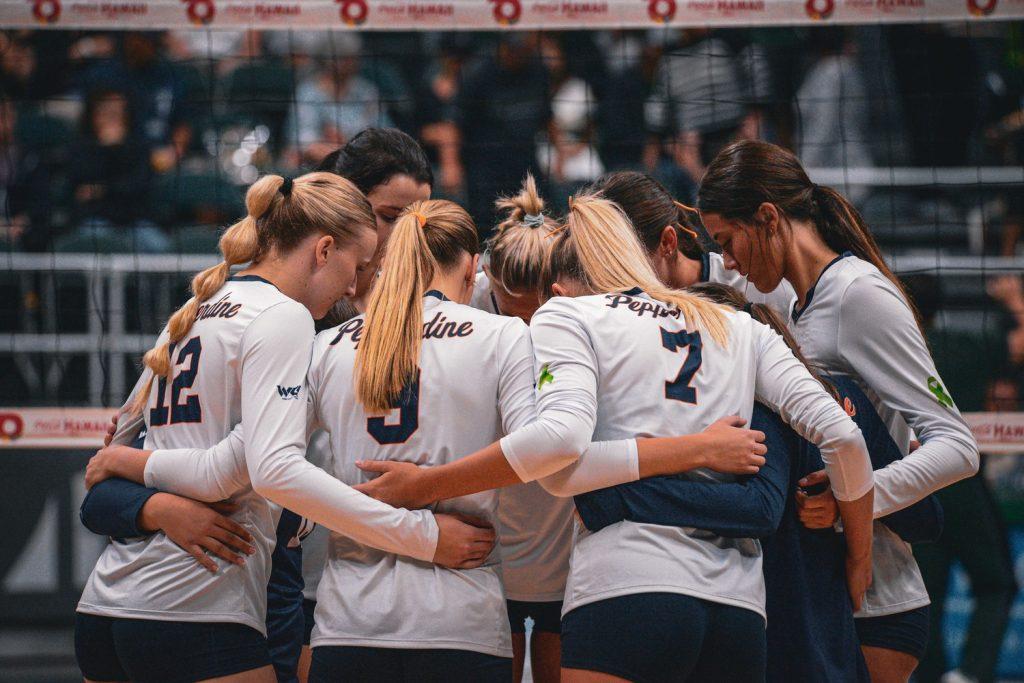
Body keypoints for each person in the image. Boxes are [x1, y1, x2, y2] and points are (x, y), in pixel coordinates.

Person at [354, 192, 875, 682]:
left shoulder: (569, 314)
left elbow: (558, 460)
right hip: (736, 609)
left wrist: (427, 486)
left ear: (558, 287)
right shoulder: (737, 325)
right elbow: (845, 438)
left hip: (625, 590)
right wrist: (859, 558)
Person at [76, 172, 488, 683]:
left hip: (106, 608)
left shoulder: (194, 307)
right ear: (324, 249)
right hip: (193, 605)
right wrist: (422, 536)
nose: (356, 286)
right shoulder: (284, 317)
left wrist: (128, 464)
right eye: (356, 267)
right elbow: (248, 471)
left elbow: (113, 450)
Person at [696, 139, 980, 683]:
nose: (728, 260)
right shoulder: (789, 300)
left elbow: (957, 446)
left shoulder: (859, 295)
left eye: (729, 242)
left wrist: (856, 496)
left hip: (879, 603)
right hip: (818, 595)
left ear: (768, 218)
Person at [574, 282, 944, 683]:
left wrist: (618, 493)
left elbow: (759, 508)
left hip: (820, 635)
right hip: (828, 635)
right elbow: (926, 519)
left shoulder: (764, 410)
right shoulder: (825, 394)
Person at [472, 175, 568, 683]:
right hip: (491, 519)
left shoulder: (582, 297)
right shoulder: (466, 306)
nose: (529, 327)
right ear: (488, 278)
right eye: (516, 314)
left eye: (542, 313)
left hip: (559, 514)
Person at [586, 170, 795, 316]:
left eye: (620, 260)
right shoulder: (601, 302)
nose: (610, 276)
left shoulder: (756, 287)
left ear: (668, 242)